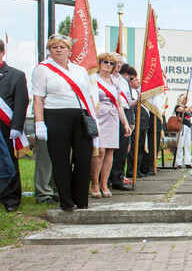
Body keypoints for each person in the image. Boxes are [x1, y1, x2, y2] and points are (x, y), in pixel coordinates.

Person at [31, 34, 97, 211]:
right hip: (55, 114)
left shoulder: (79, 70)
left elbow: (89, 96)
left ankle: (81, 199)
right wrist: (39, 123)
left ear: (69, 50)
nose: (59, 50)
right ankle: (66, 201)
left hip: (81, 115)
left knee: (83, 157)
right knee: (60, 160)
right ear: (49, 50)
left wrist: (94, 118)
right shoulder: (43, 69)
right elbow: (38, 98)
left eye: (62, 47)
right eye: (54, 47)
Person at [89, 53, 132, 198]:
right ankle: (94, 184)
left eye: (111, 63)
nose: (108, 65)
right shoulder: (93, 79)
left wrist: (125, 123)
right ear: (99, 63)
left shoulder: (115, 82)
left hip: (112, 118)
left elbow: (119, 104)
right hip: (98, 116)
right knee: (99, 151)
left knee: (109, 152)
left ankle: (104, 184)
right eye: (105, 62)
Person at [0, 39, 29, 212]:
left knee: (8, 161)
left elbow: (21, 102)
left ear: (3, 52)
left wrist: (17, 126)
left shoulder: (15, 75)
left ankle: (10, 198)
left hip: (5, 126)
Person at [110, 61, 134, 191]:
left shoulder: (124, 81)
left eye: (120, 62)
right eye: (115, 62)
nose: (118, 64)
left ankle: (118, 179)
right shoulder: (105, 78)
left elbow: (128, 103)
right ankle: (106, 179)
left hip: (124, 113)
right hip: (110, 113)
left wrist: (131, 121)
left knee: (123, 148)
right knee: (109, 149)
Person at [174, 94, 192, 169]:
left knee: (187, 144)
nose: (185, 100)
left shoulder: (187, 107)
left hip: (187, 126)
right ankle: (178, 162)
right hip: (182, 126)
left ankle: (188, 161)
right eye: (184, 98)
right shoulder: (178, 107)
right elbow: (184, 111)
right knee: (180, 144)